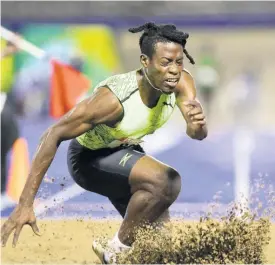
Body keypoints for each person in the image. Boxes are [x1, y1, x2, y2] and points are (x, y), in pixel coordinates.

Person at [1, 22, 207, 263]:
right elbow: (52, 134)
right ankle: (114, 251)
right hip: (90, 160)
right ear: (145, 61)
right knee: (166, 181)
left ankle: (124, 254)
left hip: (125, 150)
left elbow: (197, 133)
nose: (173, 70)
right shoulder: (112, 101)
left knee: (159, 250)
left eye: (178, 62)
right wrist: (26, 203)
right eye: (165, 63)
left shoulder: (181, 83)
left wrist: (197, 124)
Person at [1, 39, 20, 204]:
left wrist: (9, 48)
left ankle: (1, 192)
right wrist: (6, 52)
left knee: (9, 139)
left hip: (2, 99)